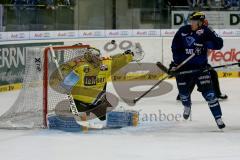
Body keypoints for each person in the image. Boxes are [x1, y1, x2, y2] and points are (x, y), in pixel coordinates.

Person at [50, 44, 143, 121]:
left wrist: (130, 55)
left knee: (107, 120)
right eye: (95, 56)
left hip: (95, 102)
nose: (97, 59)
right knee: (78, 121)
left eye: (98, 56)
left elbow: (117, 60)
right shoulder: (82, 66)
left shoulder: (101, 65)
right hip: (82, 103)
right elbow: (66, 85)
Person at [170, 11, 225, 129]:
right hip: (183, 68)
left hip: (200, 68)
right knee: (183, 94)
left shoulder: (206, 31)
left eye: (194, 21)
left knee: (210, 95)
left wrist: (206, 43)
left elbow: (219, 44)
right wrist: (176, 62)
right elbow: (175, 47)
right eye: (191, 20)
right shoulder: (183, 30)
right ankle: (187, 106)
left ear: (200, 22)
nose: (191, 23)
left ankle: (218, 118)